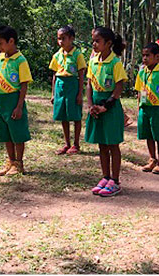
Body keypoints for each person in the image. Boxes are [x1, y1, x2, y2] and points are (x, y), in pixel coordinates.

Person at [87, 27, 128, 197]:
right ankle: (105, 177)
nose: (94, 44)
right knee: (102, 144)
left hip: (109, 108)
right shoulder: (93, 61)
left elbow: (119, 86)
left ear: (108, 43)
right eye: (93, 41)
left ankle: (115, 181)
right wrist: (90, 105)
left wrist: (107, 105)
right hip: (96, 106)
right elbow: (89, 84)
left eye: (98, 41)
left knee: (113, 145)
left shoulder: (115, 63)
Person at [0, 26, 33, 176]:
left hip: (13, 100)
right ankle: (10, 161)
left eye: (0, 43)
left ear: (11, 41)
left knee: (17, 133)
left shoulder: (20, 60)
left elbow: (24, 84)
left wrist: (19, 106)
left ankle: (19, 163)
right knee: (5, 133)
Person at [135, 42, 159, 175]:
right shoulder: (141, 72)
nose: (144, 58)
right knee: (148, 135)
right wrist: (139, 107)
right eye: (143, 55)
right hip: (144, 108)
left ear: (157, 57)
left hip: (157, 109)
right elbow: (139, 91)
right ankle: (152, 159)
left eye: (148, 55)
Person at [49, 26, 87, 155]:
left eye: (63, 38)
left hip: (73, 86)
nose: (60, 41)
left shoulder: (78, 55)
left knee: (75, 116)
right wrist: (53, 93)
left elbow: (81, 75)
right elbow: (54, 75)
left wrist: (79, 94)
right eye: (59, 38)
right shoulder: (57, 55)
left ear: (71, 39)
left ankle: (76, 144)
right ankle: (67, 144)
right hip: (60, 86)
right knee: (63, 116)